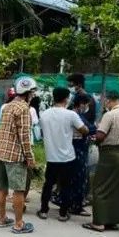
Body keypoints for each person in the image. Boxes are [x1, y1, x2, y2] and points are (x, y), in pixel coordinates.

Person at [83, 90, 119, 233]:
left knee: (101, 186)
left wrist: (94, 136)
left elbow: (100, 136)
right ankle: (112, 220)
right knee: (117, 188)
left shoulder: (109, 115)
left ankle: (99, 222)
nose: (105, 103)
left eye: (105, 101)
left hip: (109, 154)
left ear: (109, 100)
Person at [0, 76, 38, 234]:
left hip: (0, 152)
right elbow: (24, 137)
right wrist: (30, 159)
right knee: (18, 190)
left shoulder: (7, 107)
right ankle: (19, 224)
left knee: (1, 188)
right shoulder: (24, 109)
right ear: (28, 93)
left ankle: (2, 218)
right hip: (15, 155)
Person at [38, 87, 88, 221]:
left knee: (48, 184)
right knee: (66, 186)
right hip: (67, 157)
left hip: (51, 156)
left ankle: (43, 211)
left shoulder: (44, 115)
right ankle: (63, 213)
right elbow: (84, 130)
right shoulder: (71, 115)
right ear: (66, 99)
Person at [67, 93, 96, 216]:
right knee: (79, 178)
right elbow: (91, 129)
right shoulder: (77, 115)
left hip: (70, 148)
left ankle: (68, 203)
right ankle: (76, 206)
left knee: (70, 178)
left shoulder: (70, 114)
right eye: (86, 104)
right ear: (81, 104)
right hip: (78, 149)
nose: (86, 107)